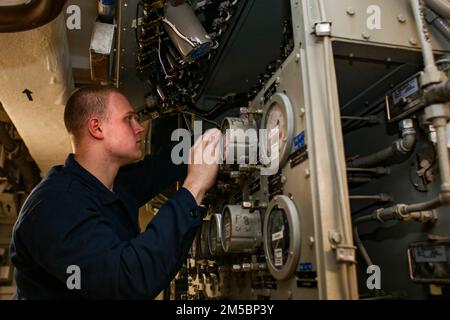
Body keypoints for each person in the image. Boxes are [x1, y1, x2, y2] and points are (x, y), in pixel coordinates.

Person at [9, 86, 220, 299]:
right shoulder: (54, 206)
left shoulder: (110, 182)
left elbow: (162, 165)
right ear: (97, 128)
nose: (139, 128)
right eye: (128, 119)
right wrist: (195, 186)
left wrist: (219, 136)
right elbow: (126, 280)